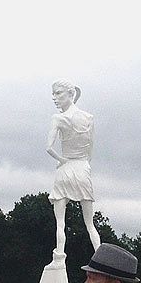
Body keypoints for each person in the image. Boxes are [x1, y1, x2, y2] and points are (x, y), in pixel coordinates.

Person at [47, 79, 101, 255]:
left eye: (58, 93)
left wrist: (62, 160)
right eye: (53, 94)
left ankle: (60, 255)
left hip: (65, 169)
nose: (54, 98)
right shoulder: (88, 118)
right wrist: (84, 165)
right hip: (82, 169)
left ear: (71, 94)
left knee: (60, 222)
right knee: (90, 224)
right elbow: (91, 150)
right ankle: (100, 256)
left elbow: (48, 147)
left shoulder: (59, 118)